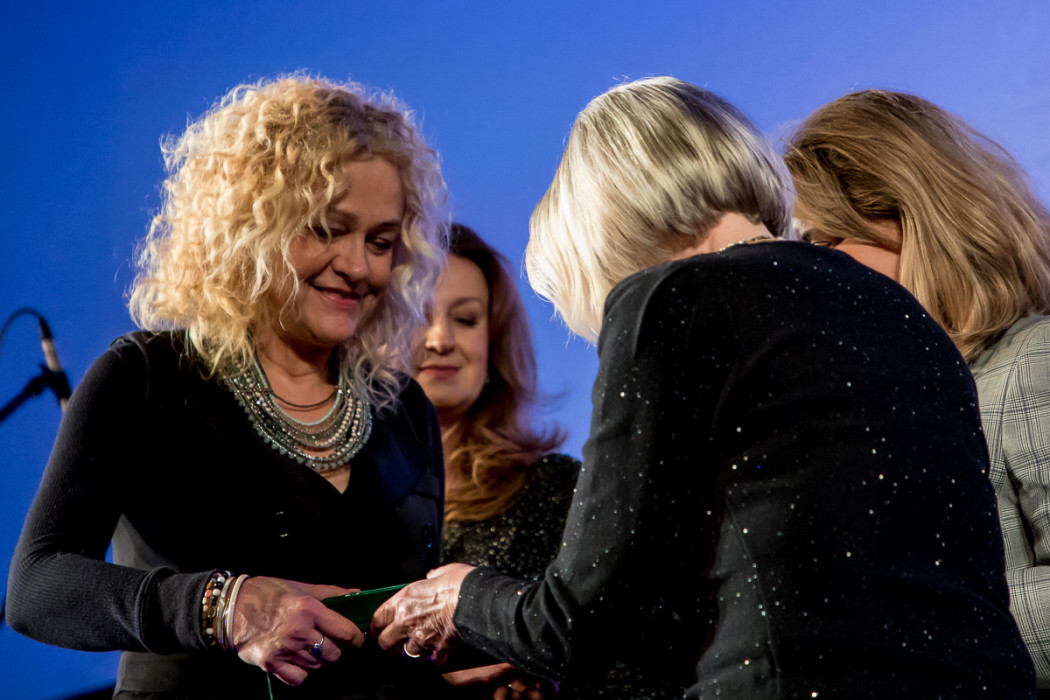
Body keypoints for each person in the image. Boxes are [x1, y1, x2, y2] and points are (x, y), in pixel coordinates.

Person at [371, 77, 1036, 698]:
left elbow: (577, 621)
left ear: (607, 234)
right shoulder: (906, 314)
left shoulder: (669, 298)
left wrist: (463, 598)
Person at [6, 75, 449, 699]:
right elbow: (37, 587)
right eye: (326, 229)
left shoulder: (403, 409)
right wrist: (224, 606)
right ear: (251, 227)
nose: (358, 266)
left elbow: (408, 627)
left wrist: (464, 657)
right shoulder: (146, 378)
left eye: (380, 242)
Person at [784, 89, 1050, 692]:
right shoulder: (860, 424)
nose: (809, 275)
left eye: (823, 242)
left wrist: (911, 622)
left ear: (916, 222)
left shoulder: (1032, 362)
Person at [411, 223, 576, 698]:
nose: (440, 339)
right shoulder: (343, 500)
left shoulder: (556, 491)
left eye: (465, 319)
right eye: (417, 315)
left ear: (494, 343)